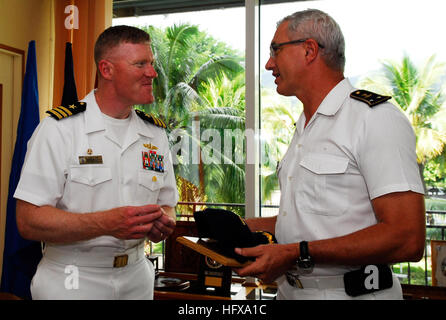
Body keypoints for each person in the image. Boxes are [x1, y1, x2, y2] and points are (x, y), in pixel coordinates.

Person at [234, 9, 425, 300]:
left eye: (276, 50)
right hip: (291, 293)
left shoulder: (373, 119)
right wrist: (238, 227)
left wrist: (296, 253)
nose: (269, 63)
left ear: (309, 50)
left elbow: (407, 238)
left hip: (352, 294)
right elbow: (313, 220)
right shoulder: (305, 127)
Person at [14, 25, 179, 300]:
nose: (152, 73)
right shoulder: (59, 129)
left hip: (137, 277)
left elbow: (167, 204)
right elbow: (28, 221)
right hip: (72, 278)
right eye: (140, 64)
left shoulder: (156, 133)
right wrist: (106, 223)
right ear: (107, 70)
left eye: (151, 63)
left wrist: (163, 222)